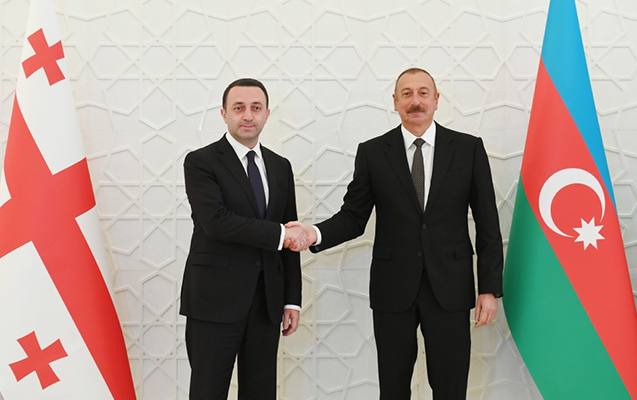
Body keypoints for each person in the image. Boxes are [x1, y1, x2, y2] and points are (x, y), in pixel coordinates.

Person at [286, 68, 503, 400]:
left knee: (451, 387)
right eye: (406, 94)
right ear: (395, 102)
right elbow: (353, 217)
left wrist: (488, 288)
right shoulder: (373, 152)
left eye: (423, 93)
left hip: (451, 286)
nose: (415, 101)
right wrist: (313, 233)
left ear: (436, 100)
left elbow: (488, 223)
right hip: (393, 288)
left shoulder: (467, 149)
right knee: (393, 388)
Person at [180, 78, 307, 400]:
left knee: (261, 393)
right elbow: (217, 222)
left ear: (267, 114)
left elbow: (290, 231)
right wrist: (281, 234)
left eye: (256, 108)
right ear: (224, 114)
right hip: (213, 302)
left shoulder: (280, 166)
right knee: (208, 393)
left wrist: (291, 299)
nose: (248, 115)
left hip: (266, 302)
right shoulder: (200, 162)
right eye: (239, 108)